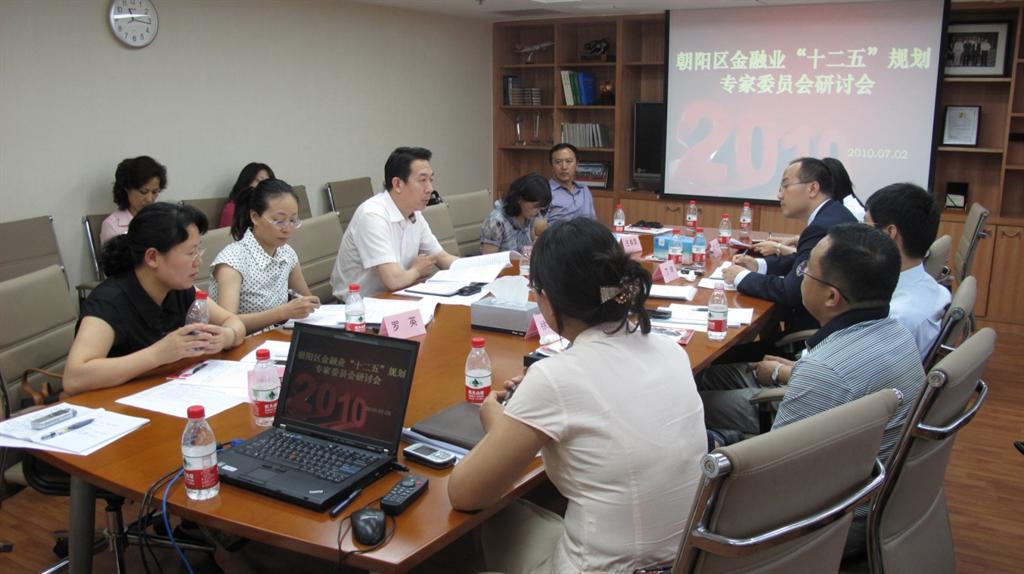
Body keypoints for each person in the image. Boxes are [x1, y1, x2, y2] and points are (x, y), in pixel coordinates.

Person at [448, 218, 707, 574]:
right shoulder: (671, 351)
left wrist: (498, 419)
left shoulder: (555, 378)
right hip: (687, 561)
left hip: (606, 568)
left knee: (494, 521)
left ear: (548, 300)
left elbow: (464, 494)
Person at [698, 224, 926, 559]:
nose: (800, 275)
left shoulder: (827, 372)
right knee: (711, 380)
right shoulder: (899, 334)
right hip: (871, 496)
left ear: (832, 297)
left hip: (829, 521)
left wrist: (719, 446)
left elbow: (773, 476)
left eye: (806, 270)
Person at [64, 203, 246, 395]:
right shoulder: (109, 302)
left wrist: (227, 337)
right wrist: (158, 354)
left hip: (164, 389)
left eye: (198, 251)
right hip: (116, 400)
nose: (198, 262)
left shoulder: (179, 288)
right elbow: (74, 378)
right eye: (190, 253)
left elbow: (232, 321)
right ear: (152, 257)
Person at [724, 157, 858, 334]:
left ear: (812, 188)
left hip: (813, 333)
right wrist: (758, 265)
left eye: (785, 186)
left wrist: (742, 277)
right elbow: (803, 262)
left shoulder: (821, 227)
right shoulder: (834, 213)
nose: (779, 195)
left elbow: (791, 292)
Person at [330, 146, 458, 299]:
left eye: (431, 180)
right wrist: (417, 270)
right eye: (423, 180)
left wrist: (479, 268)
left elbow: (442, 258)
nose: (430, 188)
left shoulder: (414, 212)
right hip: (358, 306)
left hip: (395, 297)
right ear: (397, 184)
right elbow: (393, 280)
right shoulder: (372, 215)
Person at [209, 178, 320, 334]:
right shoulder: (233, 260)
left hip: (277, 337)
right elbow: (226, 324)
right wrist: (282, 313)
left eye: (293, 220)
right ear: (255, 217)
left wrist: (309, 304)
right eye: (279, 221)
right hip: (242, 342)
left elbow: (307, 299)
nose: (287, 229)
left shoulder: (287, 253)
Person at [865, 183, 950, 361]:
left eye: (866, 225)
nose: (861, 234)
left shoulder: (895, 317)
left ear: (890, 233)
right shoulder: (938, 290)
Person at [100, 156, 167, 245]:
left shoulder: (162, 219)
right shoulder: (112, 225)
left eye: (155, 192)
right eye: (143, 192)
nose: (149, 199)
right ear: (127, 189)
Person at [479, 172, 551, 254]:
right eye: (535, 206)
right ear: (519, 199)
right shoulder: (496, 222)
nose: (538, 212)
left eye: (541, 207)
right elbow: (489, 259)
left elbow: (529, 245)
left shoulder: (528, 216)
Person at [546, 143, 596, 224]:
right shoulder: (545, 191)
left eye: (568, 161)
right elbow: (538, 228)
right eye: (558, 162)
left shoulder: (584, 190)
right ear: (552, 165)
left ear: (577, 164)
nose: (564, 167)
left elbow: (593, 222)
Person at [219, 162, 275, 228]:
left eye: (268, 183)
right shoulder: (232, 209)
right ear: (246, 182)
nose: (265, 186)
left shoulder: (268, 208)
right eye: (259, 181)